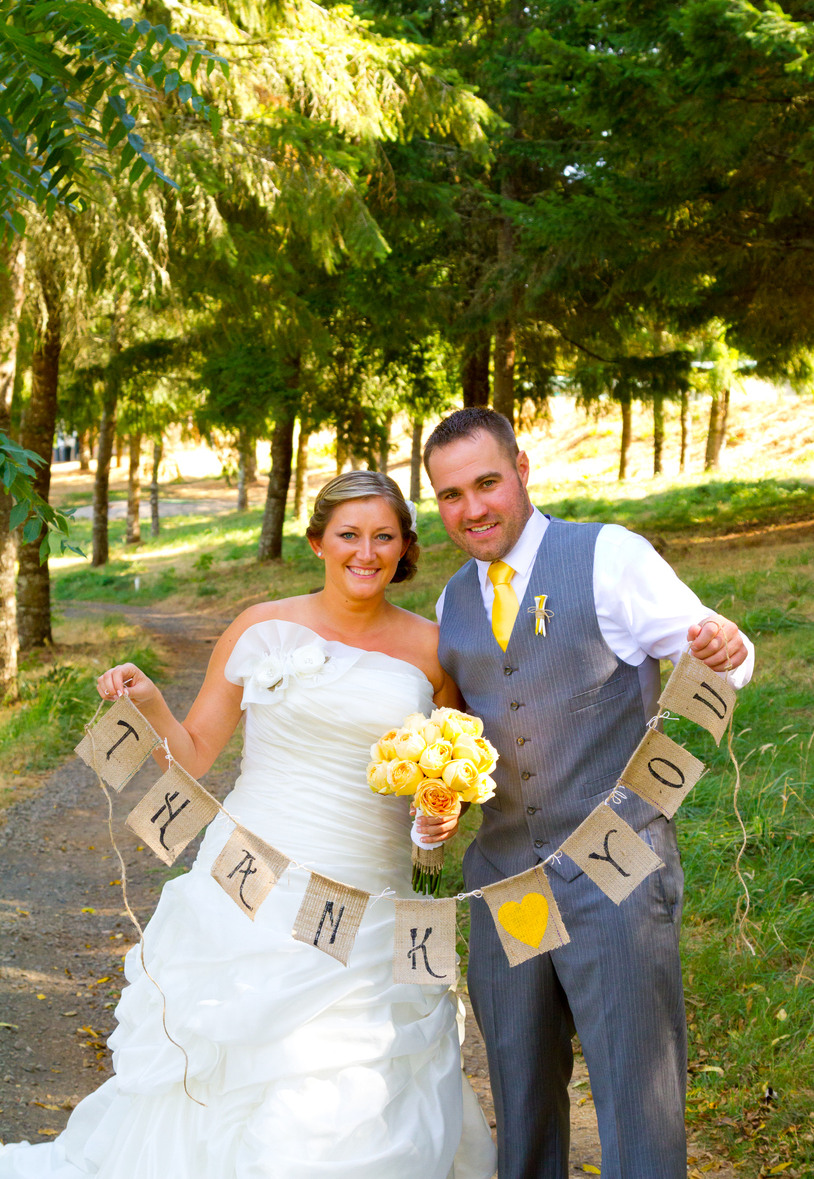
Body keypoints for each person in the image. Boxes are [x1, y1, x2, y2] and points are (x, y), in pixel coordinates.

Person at [0, 472, 496, 1179]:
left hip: (374, 897)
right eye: (349, 535)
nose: (366, 551)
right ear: (318, 540)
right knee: (236, 1061)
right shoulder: (260, 626)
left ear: (405, 548)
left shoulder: (432, 648)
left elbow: (446, 779)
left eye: (383, 536)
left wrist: (440, 817)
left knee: (362, 1072)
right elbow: (196, 753)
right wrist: (147, 703)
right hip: (253, 885)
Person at [417, 407, 755, 1179]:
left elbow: (717, 652)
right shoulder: (451, 606)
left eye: (487, 483)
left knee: (637, 1099)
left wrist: (725, 648)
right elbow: (463, 746)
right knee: (523, 1094)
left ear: (524, 469)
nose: (472, 509)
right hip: (510, 885)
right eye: (450, 494)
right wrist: (437, 803)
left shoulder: (607, 555)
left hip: (615, 874)